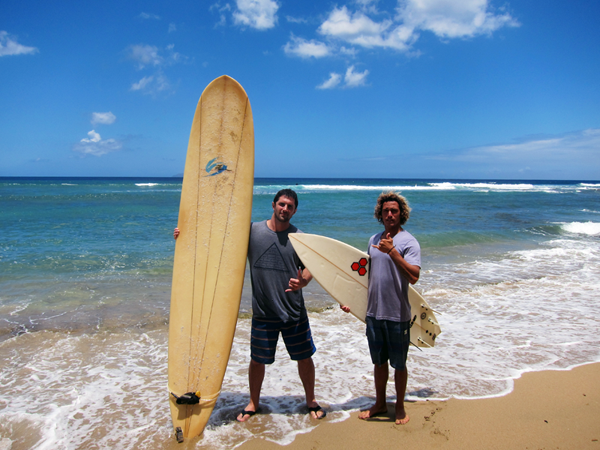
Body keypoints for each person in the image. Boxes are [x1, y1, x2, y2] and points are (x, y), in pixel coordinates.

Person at [173, 188, 326, 422]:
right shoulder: (252, 232)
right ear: (273, 205)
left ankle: (310, 400)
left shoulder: (299, 237)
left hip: (293, 312)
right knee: (257, 360)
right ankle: (253, 402)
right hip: (263, 312)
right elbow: (219, 244)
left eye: (290, 206)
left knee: (304, 358)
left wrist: (303, 280)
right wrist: (186, 236)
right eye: (282, 204)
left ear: (295, 211)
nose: (285, 209)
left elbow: (312, 265)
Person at [341, 191, 420, 425]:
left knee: (399, 364)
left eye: (394, 211)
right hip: (374, 313)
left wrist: (393, 252)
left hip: (398, 314)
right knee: (378, 362)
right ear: (380, 214)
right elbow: (365, 275)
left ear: (401, 214)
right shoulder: (373, 240)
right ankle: (380, 403)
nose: (389, 214)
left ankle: (401, 407)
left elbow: (414, 276)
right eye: (385, 211)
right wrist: (350, 300)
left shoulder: (409, 242)